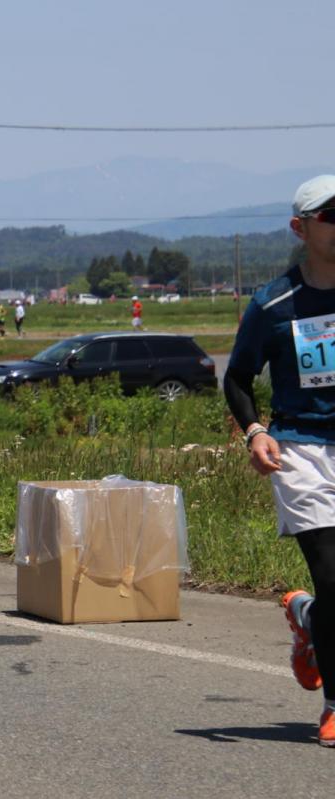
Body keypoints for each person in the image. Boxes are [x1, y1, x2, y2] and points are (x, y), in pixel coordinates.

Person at [225, 175, 335, 748]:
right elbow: (238, 378)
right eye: (331, 216)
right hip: (302, 449)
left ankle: (311, 617)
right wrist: (255, 432)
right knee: (334, 576)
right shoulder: (274, 303)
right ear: (301, 228)